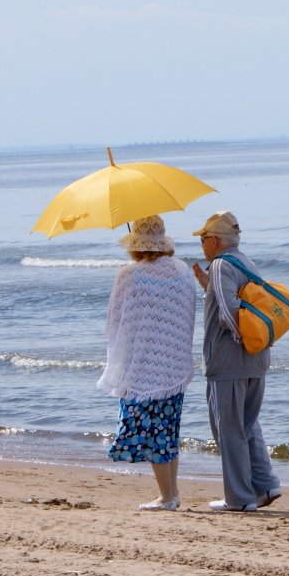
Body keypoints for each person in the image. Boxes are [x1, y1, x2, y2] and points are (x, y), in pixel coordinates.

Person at [97, 215, 196, 511]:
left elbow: (114, 322)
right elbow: (188, 313)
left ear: (135, 244)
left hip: (142, 366)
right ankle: (171, 493)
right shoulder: (181, 271)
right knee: (168, 429)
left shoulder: (128, 275)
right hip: (174, 363)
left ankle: (167, 497)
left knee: (153, 433)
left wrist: (119, 353)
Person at [192, 211, 281, 512]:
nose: (202, 245)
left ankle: (240, 499)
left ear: (214, 241)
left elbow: (229, 312)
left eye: (203, 239)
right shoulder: (245, 262)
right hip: (257, 358)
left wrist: (239, 339)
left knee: (227, 429)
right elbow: (239, 302)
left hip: (228, 360)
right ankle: (265, 485)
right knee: (247, 424)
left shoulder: (219, 264)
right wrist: (208, 286)